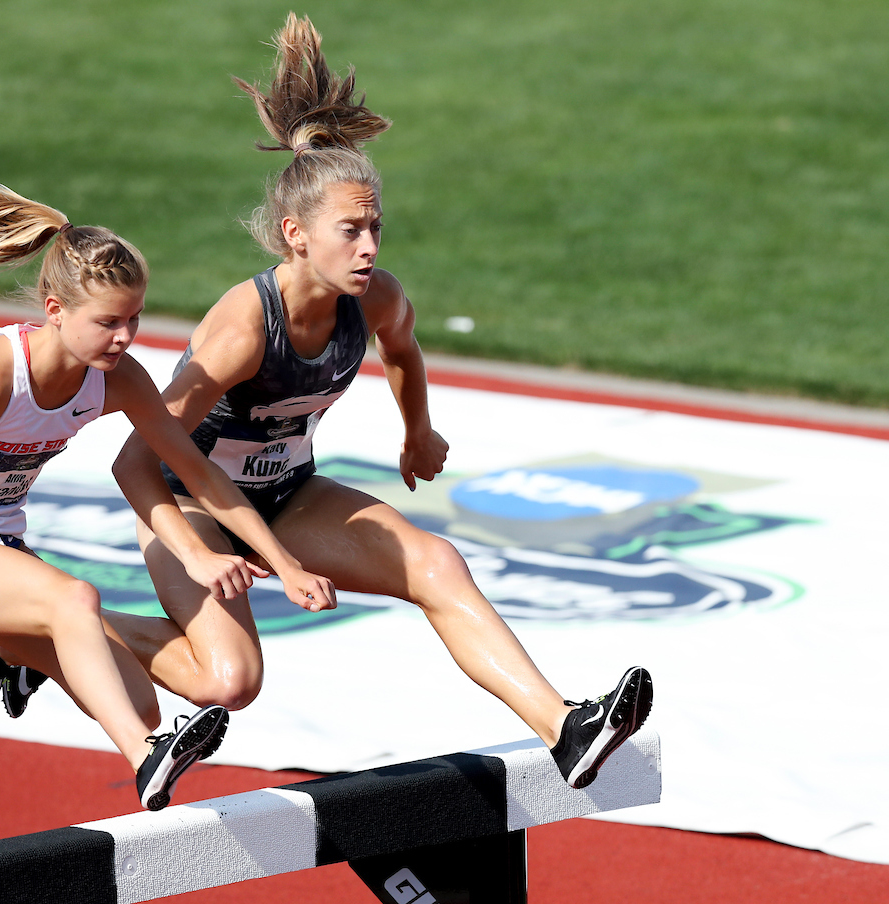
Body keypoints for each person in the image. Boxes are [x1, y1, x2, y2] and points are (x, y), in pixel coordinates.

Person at [110, 13, 653, 789]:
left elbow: (403, 352)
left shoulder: (375, 299)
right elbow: (135, 460)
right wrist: (196, 551)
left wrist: (418, 433)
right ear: (296, 234)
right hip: (191, 505)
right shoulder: (241, 329)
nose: (369, 248)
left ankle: (565, 729)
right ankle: (56, 628)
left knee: (435, 561)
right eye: (350, 231)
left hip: (289, 495)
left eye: (375, 228)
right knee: (229, 683)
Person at [0, 136, 336, 811]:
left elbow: (195, 471)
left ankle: (19, 652)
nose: (125, 337)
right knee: (75, 600)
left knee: (150, 698)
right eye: (109, 322)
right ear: (55, 312)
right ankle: (145, 761)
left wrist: (282, 563)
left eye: (135, 319)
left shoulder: (117, 378)